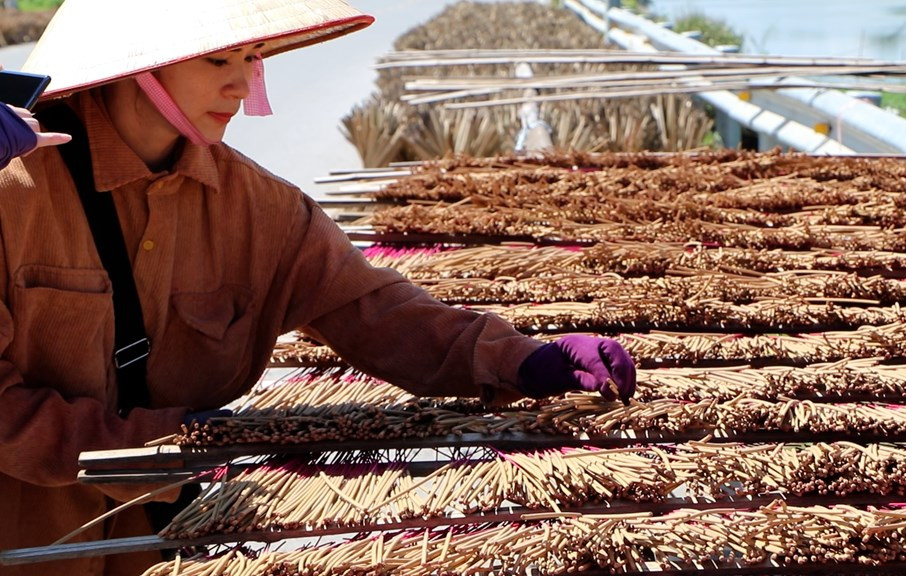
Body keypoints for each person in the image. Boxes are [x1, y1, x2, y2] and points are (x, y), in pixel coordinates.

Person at [0, 1, 637, 575]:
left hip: (157, 549)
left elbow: (371, 308)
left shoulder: (259, 209)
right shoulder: (14, 191)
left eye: (252, 59)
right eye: (219, 58)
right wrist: (167, 445)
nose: (243, 82)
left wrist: (520, 359)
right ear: (136, 69)